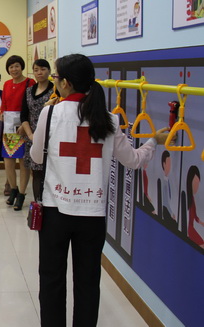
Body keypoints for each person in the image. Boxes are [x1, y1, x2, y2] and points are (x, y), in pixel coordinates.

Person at [30, 53, 170, 327]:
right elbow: (134, 160)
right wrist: (154, 141)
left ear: (66, 83)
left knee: (51, 279)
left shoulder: (51, 112)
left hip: (55, 213)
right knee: (88, 282)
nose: (55, 82)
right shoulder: (108, 119)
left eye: (56, 77)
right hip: (92, 216)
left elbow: (36, 157)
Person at [0, 55, 36, 210]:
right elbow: (5, 103)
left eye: (16, 66)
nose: (14, 69)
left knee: (23, 162)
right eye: (11, 67)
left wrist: (25, 124)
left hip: (24, 126)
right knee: (8, 160)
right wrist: (1, 113)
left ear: (22, 67)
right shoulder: (7, 84)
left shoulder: (30, 83)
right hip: (9, 127)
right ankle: (13, 189)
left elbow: (32, 105)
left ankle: (21, 194)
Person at [20, 59, 54, 202]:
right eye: (36, 70)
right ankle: (38, 207)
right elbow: (24, 116)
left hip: (50, 136)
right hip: (32, 136)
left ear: (49, 71)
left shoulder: (55, 90)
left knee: (48, 172)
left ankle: (49, 206)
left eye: (43, 69)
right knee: (36, 172)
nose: (39, 72)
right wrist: (30, 135)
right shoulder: (29, 91)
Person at [186, 165, 204, 248]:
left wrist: (201, 223)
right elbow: (193, 216)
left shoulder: (191, 199)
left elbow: (195, 216)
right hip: (191, 230)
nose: (197, 186)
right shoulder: (190, 200)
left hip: (191, 228)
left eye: (198, 183)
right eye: (195, 182)